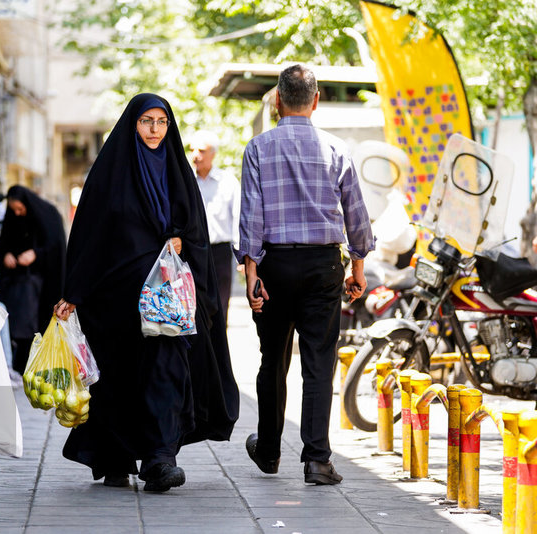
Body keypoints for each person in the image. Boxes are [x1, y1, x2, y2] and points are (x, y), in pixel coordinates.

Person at [54, 93, 239, 493]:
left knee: (166, 371)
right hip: (115, 302)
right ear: (132, 125)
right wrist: (73, 292)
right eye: (146, 122)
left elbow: (197, 233)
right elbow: (89, 236)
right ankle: (116, 456)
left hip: (165, 303)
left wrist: (179, 241)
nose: (155, 130)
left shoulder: (178, 173)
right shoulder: (109, 174)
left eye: (162, 122)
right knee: (118, 379)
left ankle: (160, 458)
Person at [237, 64, 374, 485]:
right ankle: (316, 459)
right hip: (322, 268)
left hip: (275, 266)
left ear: (277, 100)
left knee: (272, 359)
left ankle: (271, 451)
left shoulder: (257, 148)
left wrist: (251, 275)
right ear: (316, 102)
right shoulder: (336, 149)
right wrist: (357, 268)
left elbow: (251, 218)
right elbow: (356, 214)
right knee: (318, 362)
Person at [0, 185, 66, 373]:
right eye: (14, 210)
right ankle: (18, 364)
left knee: (37, 325)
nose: (17, 214)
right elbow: (5, 245)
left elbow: (56, 247)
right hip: (16, 285)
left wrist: (36, 254)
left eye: (20, 209)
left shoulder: (48, 215)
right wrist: (7, 255)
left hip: (41, 285)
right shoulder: (12, 219)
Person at [189, 130, 240, 324]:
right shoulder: (186, 181)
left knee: (220, 305)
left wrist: (241, 256)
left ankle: (218, 352)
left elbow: (237, 218)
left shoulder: (227, 182)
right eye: (192, 149)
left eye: (202, 150)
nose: (196, 155)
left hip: (219, 253)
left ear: (213, 154)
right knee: (192, 305)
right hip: (192, 250)